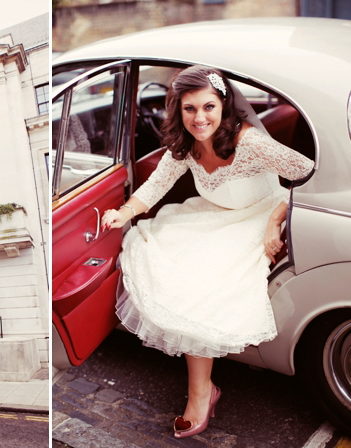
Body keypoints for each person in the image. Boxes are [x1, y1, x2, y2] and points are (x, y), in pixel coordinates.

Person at [100, 65, 314, 439]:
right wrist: (124, 212)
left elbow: (307, 174)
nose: (200, 118)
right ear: (178, 111)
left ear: (224, 105)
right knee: (151, 251)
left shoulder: (250, 142)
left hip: (259, 216)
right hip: (213, 217)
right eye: (189, 109)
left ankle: (200, 393)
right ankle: (204, 388)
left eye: (208, 107)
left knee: (204, 284)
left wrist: (273, 221)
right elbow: (154, 186)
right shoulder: (183, 146)